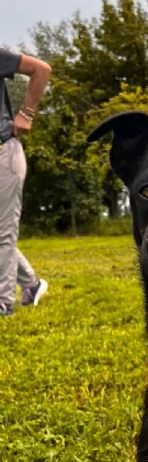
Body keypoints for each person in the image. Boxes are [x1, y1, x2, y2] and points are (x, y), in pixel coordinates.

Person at [0, 48, 51, 316]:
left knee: (3, 233)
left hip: (3, 153)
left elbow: (41, 69)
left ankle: (3, 302)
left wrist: (27, 113)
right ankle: (31, 284)